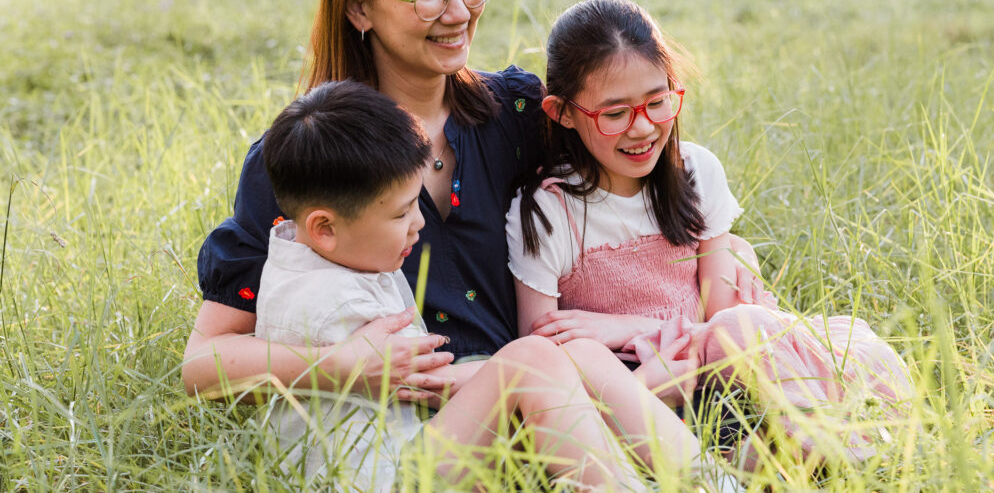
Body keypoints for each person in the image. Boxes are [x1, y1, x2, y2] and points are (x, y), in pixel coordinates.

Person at [182, 0, 762, 405]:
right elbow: (206, 362)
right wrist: (342, 368)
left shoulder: (517, 112)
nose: (459, 12)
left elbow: (635, 183)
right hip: (411, 423)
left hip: (561, 395)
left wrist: (724, 250)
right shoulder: (313, 154)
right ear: (359, 7)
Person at [254, 79, 729, 491]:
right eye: (400, 214)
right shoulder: (329, 303)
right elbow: (427, 385)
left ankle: (708, 478)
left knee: (565, 356)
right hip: (379, 478)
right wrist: (525, 368)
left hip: (405, 449)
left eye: (414, 203)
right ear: (325, 227)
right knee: (532, 361)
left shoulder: (314, 252)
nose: (419, 224)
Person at [507, 0, 913, 462]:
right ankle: (804, 452)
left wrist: (623, 325)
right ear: (563, 113)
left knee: (774, 333)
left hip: (721, 375)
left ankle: (819, 445)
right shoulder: (546, 211)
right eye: (615, 114)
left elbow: (722, 323)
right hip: (637, 395)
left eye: (658, 102)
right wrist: (644, 370)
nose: (643, 129)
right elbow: (546, 359)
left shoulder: (697, 172)